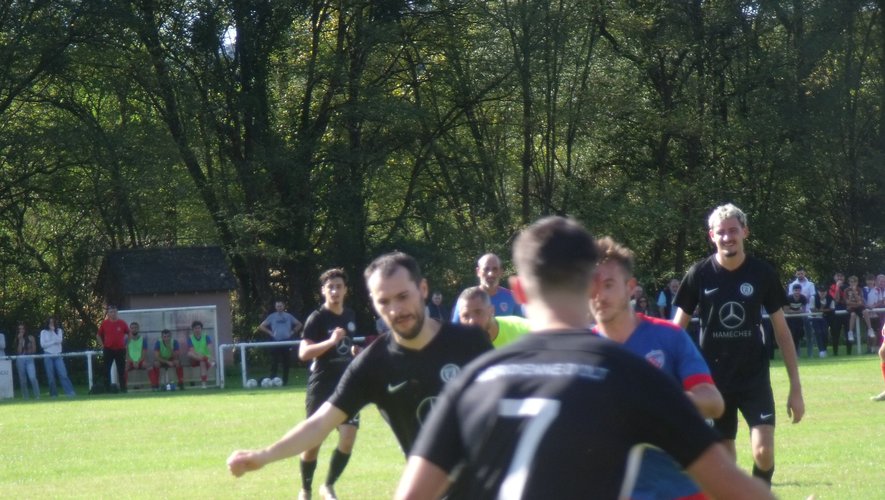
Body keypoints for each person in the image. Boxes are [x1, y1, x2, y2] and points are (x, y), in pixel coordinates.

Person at [396, 216, 773, 500]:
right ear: (589, 285)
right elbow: (734, 488)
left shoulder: (474, 378)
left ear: (518, 291)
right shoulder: (627, 376)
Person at [227, 252, 493, 490]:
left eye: (403, 296)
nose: (396, 310)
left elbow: (507, 401)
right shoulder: (373, 364)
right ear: (374, 304)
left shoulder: (470, 343)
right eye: (384, 301)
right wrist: (263, 456)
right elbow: (319, 424)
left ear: (422, 289)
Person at [673, 203, 804, 487]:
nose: (727, 237)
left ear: (745, 232)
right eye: (721, 232)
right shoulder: (699, 274)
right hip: (712, 381)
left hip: (753, 378)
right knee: (725, 462)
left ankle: (760, 490)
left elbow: (782, 332)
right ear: (712, 236)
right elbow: (675, 331)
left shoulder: (762, 273)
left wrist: (796, 387)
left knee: (763, 452)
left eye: (733, 230)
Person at [590, 236, 724, 499]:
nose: (600, 295)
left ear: (630, 287)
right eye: (592, 286)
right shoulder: (581, 348)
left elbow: (713, 403)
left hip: (681, 489)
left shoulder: (668, 336)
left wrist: (651, 402)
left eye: (609, 285)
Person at [296, 269, 359, 500]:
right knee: (313, 442)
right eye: (330, 287)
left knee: (348, 437)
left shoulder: (350, 315)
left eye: (338, 286)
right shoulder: (317, 318)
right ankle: (306, 489)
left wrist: (356, 352)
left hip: (345, 385)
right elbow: (304, 353)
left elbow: (347, 347)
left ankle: (329, 485)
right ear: (323, 290)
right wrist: (330, 341)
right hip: (321, 385)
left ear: (345, 290)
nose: (335, 291)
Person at [451, 253, 522, 322]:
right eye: (486, 269)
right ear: (478, 272)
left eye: (495, 269)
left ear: (501, 272)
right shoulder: (466, 298)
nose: (490, 274)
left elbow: (523, 326)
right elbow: (454, 328)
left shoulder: (512, 297)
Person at [456, 286, 530, 347]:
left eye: (478, 312)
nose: (472, 321)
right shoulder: (459, 347)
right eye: (465, 316)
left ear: (491, 311)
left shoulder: (524, 330)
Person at [258, 300, 303, 386]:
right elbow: (261, 326)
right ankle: (272, 380)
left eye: (280, 306)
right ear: (275, 307)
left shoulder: (288, 316)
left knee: (286, 362)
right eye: (278, 306)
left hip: (286, 342)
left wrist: (292, 332)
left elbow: (299, 324)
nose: (279, 308)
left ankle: (285, 381)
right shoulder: (272, 316)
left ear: (283, 306)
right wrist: (270, 332)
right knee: (274, 362)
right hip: (276, 342)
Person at [40, 317, 76, 397]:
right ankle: (53, 394)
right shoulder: (43, 332)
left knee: (63, 374)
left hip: (58, 354)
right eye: (50, 322)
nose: (51, 324)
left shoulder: (59, 331)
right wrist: (53, 342)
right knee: (50, 376)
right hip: (48, 354)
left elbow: (59, 340)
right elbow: (43, 345)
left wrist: (53, 332)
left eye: (53, 322)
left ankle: (70, 392)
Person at [97, 305, 129, 393]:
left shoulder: (122, 323)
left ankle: (123, 389)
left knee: (121, 370)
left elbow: (129, 333)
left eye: (114, 311)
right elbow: (98, 335)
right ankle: (107, 389)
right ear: (108, 313)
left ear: (117, 312)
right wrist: (102, 345)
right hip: (108, 349)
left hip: (120, 349)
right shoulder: (104, 323)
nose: (113, 313)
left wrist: (127, 344)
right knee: (106, 370)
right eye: (111, 312)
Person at [14, 322, 40, 399]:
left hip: (29, 359)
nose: (21, 330)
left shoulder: (31, 337)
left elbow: (34, 351)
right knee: (23, 379)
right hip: (20, 359)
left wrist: (31, 345)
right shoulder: (16, 338)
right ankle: (25, 396)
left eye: (23, 328)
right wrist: (20, 340)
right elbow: (19, 352)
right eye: (20, 329)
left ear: (25, 329)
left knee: (32, 377)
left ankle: (37, 395)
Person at [186, 320, 214, 388]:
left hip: (205, 358)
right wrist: (201, 356)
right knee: (189, 353)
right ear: (193, 329)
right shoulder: (190, 338)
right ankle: (207, 361)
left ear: (201, 329)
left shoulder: (206, 337)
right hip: (195, 358)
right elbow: (192, 350)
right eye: (195, 328)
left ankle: (203, 384)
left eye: (199, 328)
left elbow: (210, 348)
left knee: (202, 362)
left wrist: (210, 357)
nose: (197, 330)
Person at [783, 284, 807, 356]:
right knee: (791, 336)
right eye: (796, 290)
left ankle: (796, 353)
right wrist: (797, 311)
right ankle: (789, 352)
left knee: (798, 336)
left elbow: (804, 310)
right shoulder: (788, 298)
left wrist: (793, 311)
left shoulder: (803, 298)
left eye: (799, 290)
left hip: (799, 319)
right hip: (789, 320)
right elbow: (786, 310)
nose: (797, 292)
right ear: (793, 291)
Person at [124, 322, 148, 387]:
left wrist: (138, 362)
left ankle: (153, 385)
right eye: (132, 328)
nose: (134, 329)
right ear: (130, 329)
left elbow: (144, 353)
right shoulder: (126, 340)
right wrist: (133, 362)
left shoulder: (143, 339)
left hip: (140, 361)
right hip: (130, 361)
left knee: (148, 366)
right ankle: (124, 386)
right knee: (124, 367)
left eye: (135, 328)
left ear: (138, 329)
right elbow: (126, 353)